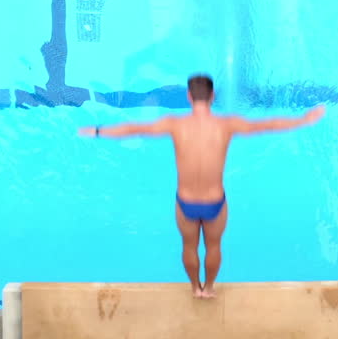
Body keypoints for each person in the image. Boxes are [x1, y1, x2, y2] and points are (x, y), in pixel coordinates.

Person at [78, 74, 325, 299]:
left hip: (185, 201)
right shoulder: (227, 124)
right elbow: (267, 125)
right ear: (212, 96)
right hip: (215, 202)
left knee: (188, 246)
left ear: (188, 96)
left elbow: (135, 129)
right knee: (214, 246)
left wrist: (98, 131)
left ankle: (195, 288)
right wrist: (304, 120)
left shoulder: (174, 124)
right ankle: (209, 288)